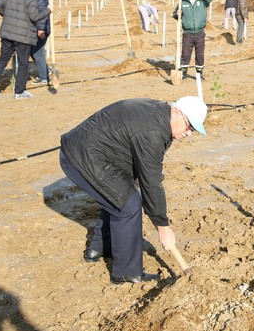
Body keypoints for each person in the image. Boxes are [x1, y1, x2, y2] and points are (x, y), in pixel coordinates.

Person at [60, 96, 207, 284]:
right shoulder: (154, 130)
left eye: (193, 130)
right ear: (177, 112)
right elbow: (151, 181)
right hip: (80, 156)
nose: (189, 133)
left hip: (91, 151)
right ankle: (126, 273)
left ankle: (101, 247)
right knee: (129, 206)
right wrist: (163, 226)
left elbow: (144, 170)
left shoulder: (160, 116)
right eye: (189, 126)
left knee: (120, 194)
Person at [0, 0, 52, 99]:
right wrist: (48, 10)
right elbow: (35, 16)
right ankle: (19, 92)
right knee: (23, 63)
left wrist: (5, 14)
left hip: (7, 33)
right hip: (23, 35)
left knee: (3, 60)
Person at [172, 0, 212, 79]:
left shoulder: (203, 2)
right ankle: (184, 74)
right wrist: (177, 14)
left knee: (200, 54)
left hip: (200, 32)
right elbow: (175, 15)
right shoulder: (183, 2)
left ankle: (199, 74)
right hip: (187, 33)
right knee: (185, 54)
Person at [29, 0, 51, 84]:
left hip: (41, 30)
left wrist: (41, 29)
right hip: (37, 29)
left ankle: (44, 77)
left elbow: (42, 14)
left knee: (38, 53)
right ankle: (46, 71)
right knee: (34, 52)